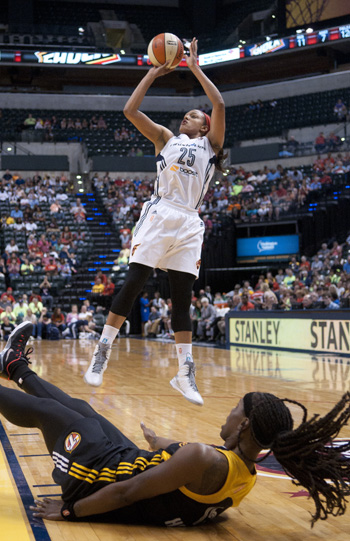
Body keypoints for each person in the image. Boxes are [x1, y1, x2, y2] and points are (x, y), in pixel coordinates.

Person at [0, 325, 350, 526]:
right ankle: (14, 366)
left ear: (244, 424)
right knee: (83, 409)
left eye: (233, 408)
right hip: (125, 460)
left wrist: (70, 511)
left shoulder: (203, 458)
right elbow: (191, 488)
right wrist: (165, 446)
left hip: (96, 479)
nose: (227, 412)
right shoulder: (245, 476)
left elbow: (132, 490)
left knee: (57, 416)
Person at [84, 38, 225, 406]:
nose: (187, 117)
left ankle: (184, 372)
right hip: (161, 212)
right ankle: (102, 352)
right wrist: (153, 72)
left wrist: (194, 68)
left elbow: (220, 103)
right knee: (133, 283)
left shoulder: (211, 146)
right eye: (186, 114)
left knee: (182, 301)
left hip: (190, 222)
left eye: (194, 115)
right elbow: (130, 110)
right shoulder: (166, 138)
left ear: (205, 125)